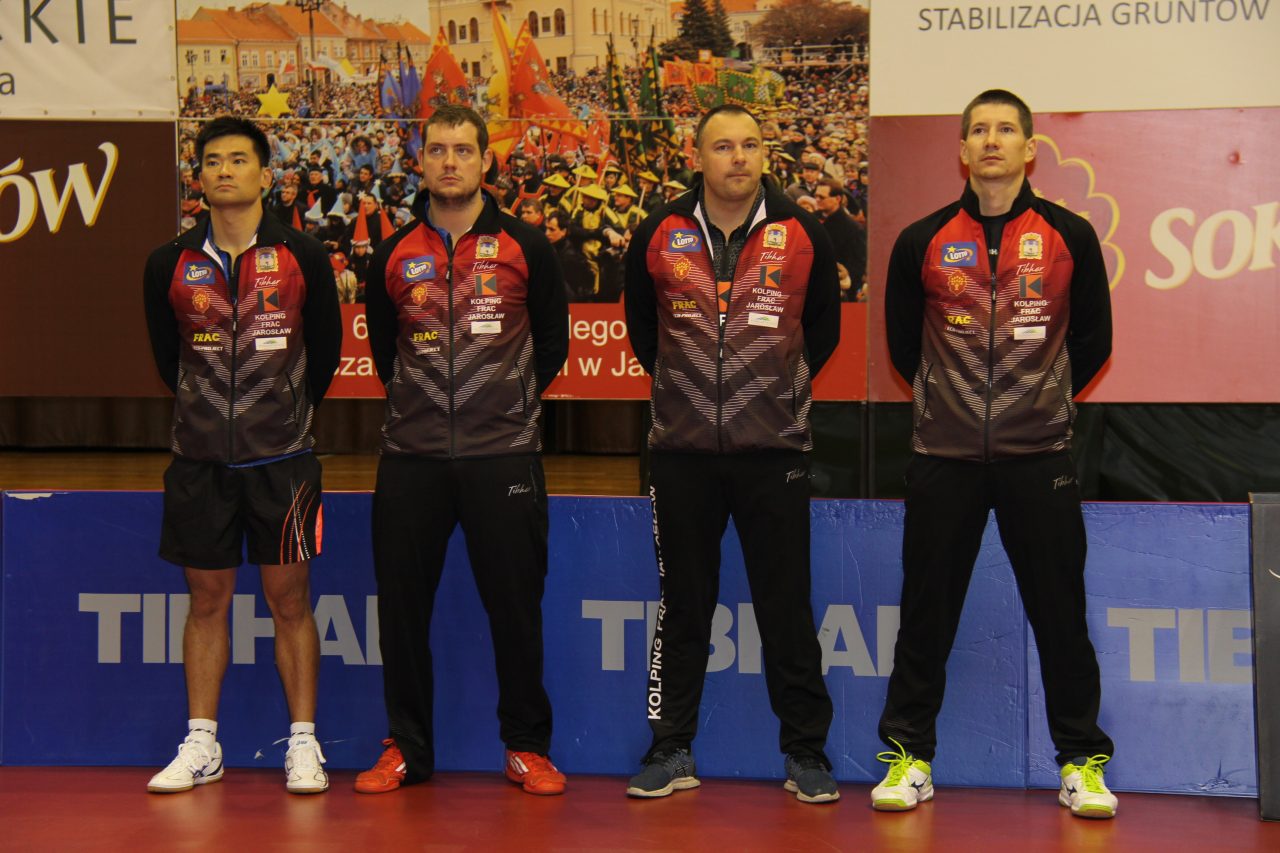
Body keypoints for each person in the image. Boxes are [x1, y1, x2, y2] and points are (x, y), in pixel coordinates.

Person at [873, 89, 1116, 819]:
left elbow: (1094, 340)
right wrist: (951, 407)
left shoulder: (1070, 234)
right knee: (925, 613)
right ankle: (909, 758)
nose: (991, 140)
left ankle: (1081, 762)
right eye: (978, 129)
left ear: (1029, 148)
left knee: (1061, 615)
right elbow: (904, 347)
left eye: (1006, 129)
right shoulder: (921, 240)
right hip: (943, 456)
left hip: (1038, 456)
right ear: (962, 150)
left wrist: (1038, 402)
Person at [623, 104, 842, 804]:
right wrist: (692, 394)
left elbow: (822, 332)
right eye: (723, 146)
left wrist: (767, 391)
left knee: (786, 606)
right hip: (681, 453)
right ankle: (670, 747)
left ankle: (806, 752)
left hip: (773, 450)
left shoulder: (802, 232)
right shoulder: (657, 231)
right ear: (698, 156)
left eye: (750, 144)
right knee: (683, 606)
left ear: (764, 153)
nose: (738, 157)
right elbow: (644, 333)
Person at [357, 105, 571, 797]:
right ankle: (406, 748)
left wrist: (501, 406)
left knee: (516, 609)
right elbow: (384, 350)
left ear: (486, 161)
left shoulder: (525, 246)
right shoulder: (392, 253)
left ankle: (527, 746)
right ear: (420, 161)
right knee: (402, 613)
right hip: (411, 458)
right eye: (437, 150)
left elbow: (552, 343)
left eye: (463, 150)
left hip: (502, 455)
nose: (449, 162)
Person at [141, 115, 342, 795]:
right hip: (199, 462)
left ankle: (304, 742)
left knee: (290, 599)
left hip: (281, 460)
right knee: (206, 600)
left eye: (238, 160)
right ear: (197, 177)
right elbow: (168, 359)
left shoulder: (301, 255)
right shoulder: (169, 262)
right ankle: (202, 742)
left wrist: (277, 414)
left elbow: (325, 353)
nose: (224, 170)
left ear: (265, 173)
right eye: (212, 162)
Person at [813, 178, 867, 301]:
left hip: (838, 291)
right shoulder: (811, 219)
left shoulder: (853, 228)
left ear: (837, 199)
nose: (817, 200)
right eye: (816, 196)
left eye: (822, 197)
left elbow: (858, 264)